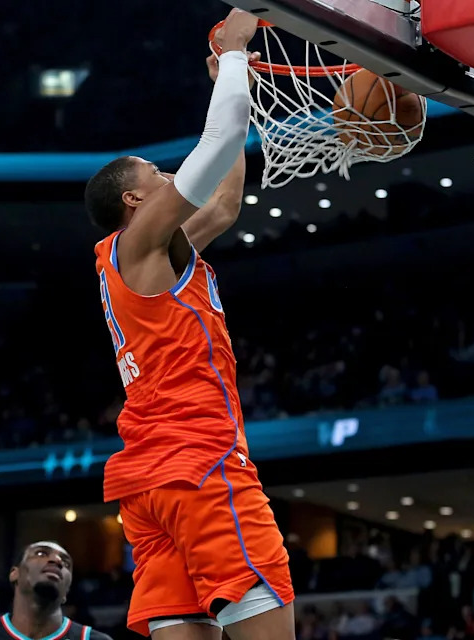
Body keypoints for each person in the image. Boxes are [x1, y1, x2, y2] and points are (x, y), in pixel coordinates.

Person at [84, 8, 295, 640]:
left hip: (150, 483)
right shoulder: (141, 238)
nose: (163, 169)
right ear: (133, 200)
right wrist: (233, 49)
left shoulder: (149, 253)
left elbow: (226, 200)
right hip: (199, 463)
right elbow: (219, 143)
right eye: (151, 168)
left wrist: (235, 82)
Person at [0, 542, 112, 640]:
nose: (56, 561)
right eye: (41, 553)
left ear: (66, 592)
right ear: (15, 573)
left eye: (66, 563)